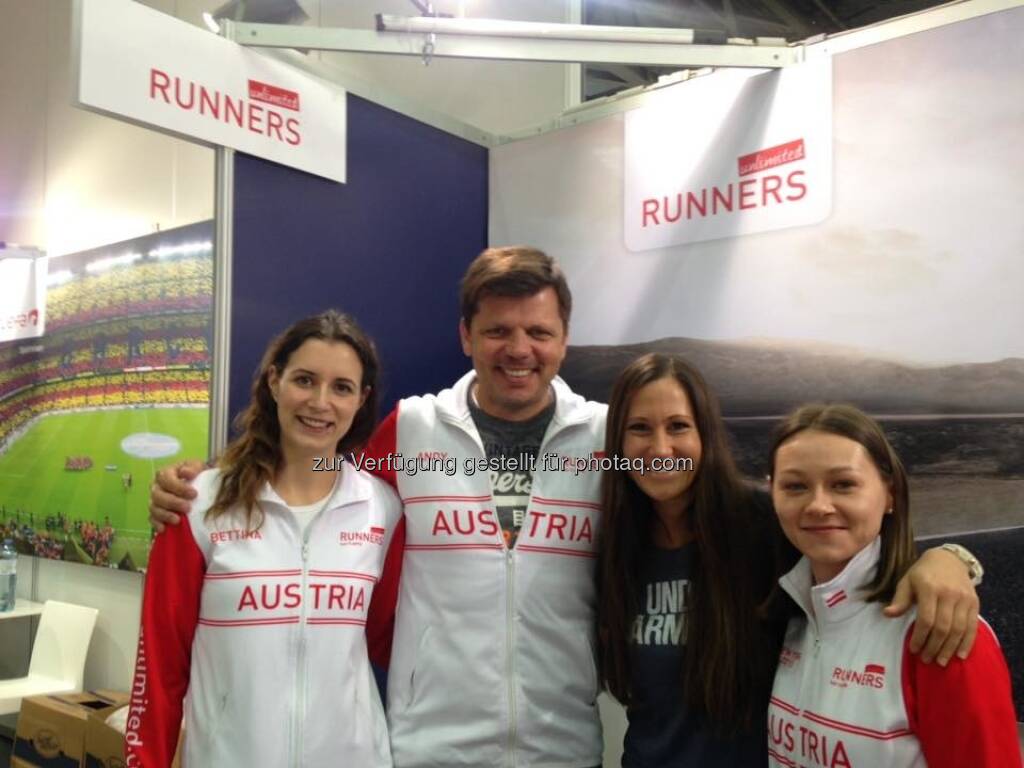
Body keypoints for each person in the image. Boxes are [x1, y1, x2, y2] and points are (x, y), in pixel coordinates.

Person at [148, 250, 981, 768]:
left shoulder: (607, 442)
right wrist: (208, 483)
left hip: (561, 746)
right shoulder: (411, 432)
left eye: (539, 332)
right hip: (430, 745)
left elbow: (775, 512)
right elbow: (313, 473)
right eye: (498, 331)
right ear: (466, 335)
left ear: (563, 340)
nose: (520, 349)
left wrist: (944, 556)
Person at [597, 354, 989, 767]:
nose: (660, 449)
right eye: (639, 428)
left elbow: (860, 554)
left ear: (705, 434)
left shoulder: (764, 525)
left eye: (678, 426)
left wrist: (951, 558)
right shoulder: (614, 545)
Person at [126, 310, 401, 768]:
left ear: (361, 400)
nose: (320, 402)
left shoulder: (383, 508)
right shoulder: (199, 505)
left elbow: (390, 639)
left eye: (341, 387)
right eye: (305, 380)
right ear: (275, 381)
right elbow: (159, 664)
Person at [765, 403, 1020, 767]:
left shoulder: (940, 630)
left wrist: (953, 557)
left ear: (890, 495)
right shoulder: (788, 617)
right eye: (795, 486)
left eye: (843, 484)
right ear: (772, 494)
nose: (818, 505)